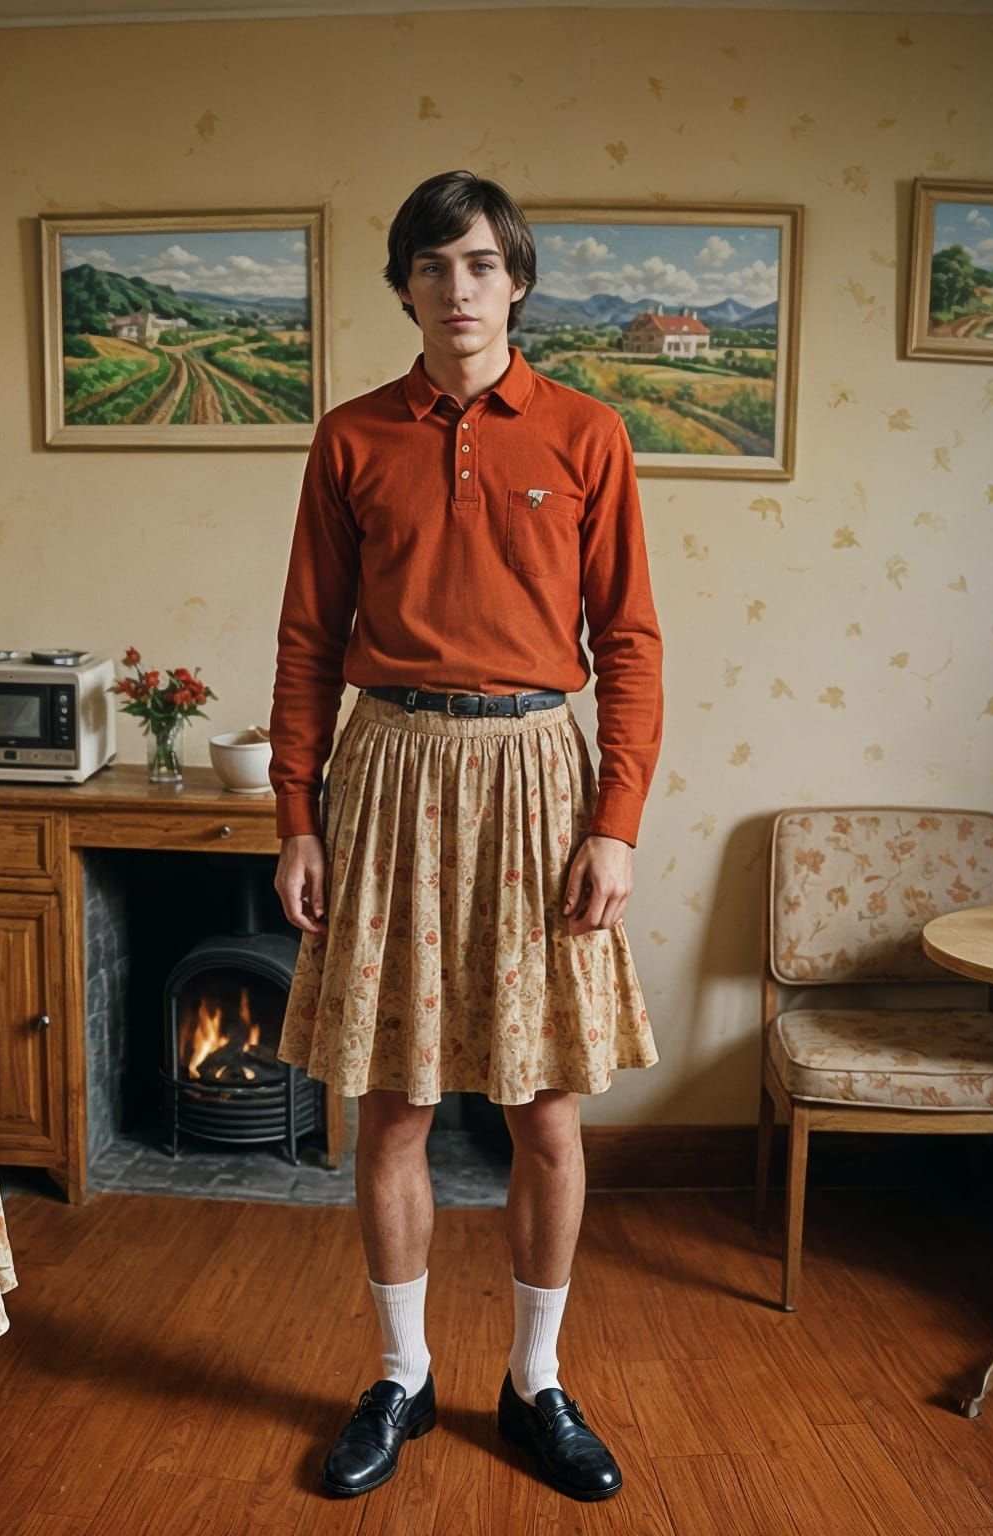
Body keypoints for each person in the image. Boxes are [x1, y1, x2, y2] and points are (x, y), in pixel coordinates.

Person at [268, 169, 663, 1503]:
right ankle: (401, 1372)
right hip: (387, 775)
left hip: (542, 782)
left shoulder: (588, 433)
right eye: (433, 267)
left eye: (482, 264)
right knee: (392, 1106)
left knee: (545, 1113)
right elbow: (309, 644)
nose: (458, 289)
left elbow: (632, 644)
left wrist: (614, 826)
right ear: (404, 288)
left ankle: (537, 1380)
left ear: (518, 283)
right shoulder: (350, 438)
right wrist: (296, 817)